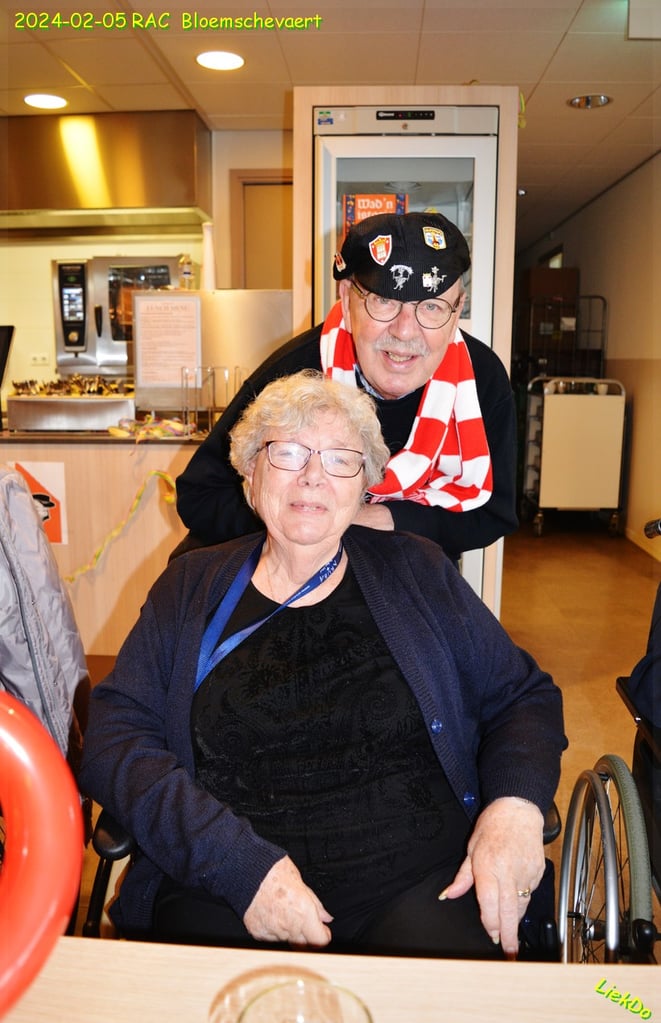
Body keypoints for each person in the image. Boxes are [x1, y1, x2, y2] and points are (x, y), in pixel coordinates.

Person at [80, 371, 565, 959]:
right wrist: (237, 866)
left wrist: (514, 807)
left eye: (340, 459)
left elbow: (522, 696)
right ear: (251, 474)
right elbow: (116, 739)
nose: (313, 476)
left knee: (442, 987)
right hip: (226, 882)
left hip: (417, 877)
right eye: (288, 453)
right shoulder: (190, 587)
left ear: (364, 488)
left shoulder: (416, 570)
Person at [175, 212, 518, 565]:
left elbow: (494, 513)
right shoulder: (294, 372)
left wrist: (377, 519)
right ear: (347, 299)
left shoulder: (482, 379)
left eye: (431, 307)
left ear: (457, 310)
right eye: (384, 300)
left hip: (413, 571)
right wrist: (305, 523)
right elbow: (200, 496)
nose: (404, 331)